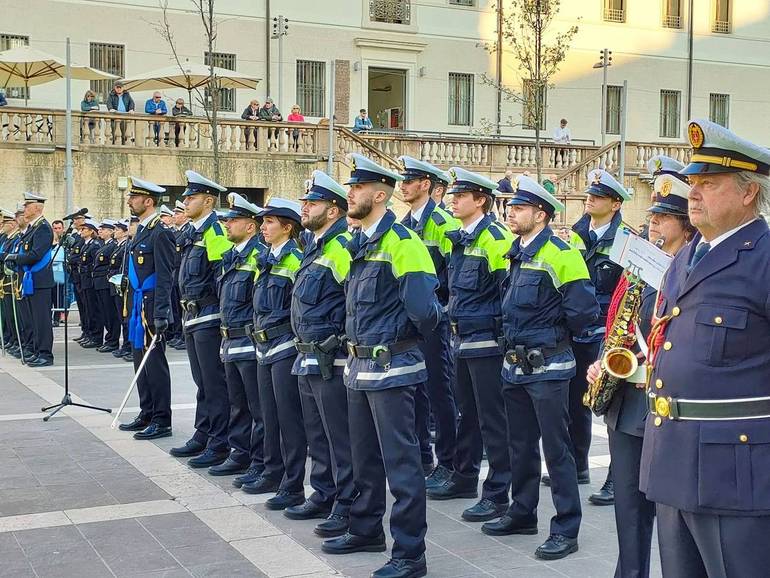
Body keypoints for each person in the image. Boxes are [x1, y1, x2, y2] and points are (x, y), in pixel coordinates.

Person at [639, 119, 770, 577]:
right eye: (692, 182)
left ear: (747, 191)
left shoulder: (765, 258)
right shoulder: (686, 256)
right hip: (672, 459)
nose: (692, 193)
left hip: (735, 472)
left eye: (707, 184)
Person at [321, 154, 441, 578]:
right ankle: (366, 528)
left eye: (355, 188)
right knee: (364, 458)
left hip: (393, 369)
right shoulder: (361, 242)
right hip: (359, 369)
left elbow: (426, 310)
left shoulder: (403, 243)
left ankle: (410, 554)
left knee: (402, 465)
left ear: (377, 194)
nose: (348, 193)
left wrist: (399, 343)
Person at [482, 176, 599, 561]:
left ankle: (566, 528)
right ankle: (522, 512)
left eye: (518, 208)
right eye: (510, 207)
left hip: (548, 367)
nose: (510, 213)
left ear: (541, 214)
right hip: (515, 367)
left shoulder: (563, 254)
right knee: (520, 446)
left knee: (557, 448)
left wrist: (551, 337)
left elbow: (584, 313)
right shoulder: (514, 252)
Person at [590, 155, 692, 578]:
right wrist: (601, 362)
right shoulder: (640, 266)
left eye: (665, 217)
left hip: (669, 406)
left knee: (673, 519)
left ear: (687, 225)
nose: (654, 223)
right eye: (652, 214)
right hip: (628, 402)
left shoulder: (693, 270)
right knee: (628, 510)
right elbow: (617, 321)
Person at [429, 168, 515, 525]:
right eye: (454, 195)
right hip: (461, 340)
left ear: (480, 200)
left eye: (461, 196)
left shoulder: (495, 237)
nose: (454, 200)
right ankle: (464, 476)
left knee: (493, 420)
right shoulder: (459, 237)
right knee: (467, 413)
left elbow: (506, 290)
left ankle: (497, 493)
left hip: (487, 343)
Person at [553, 169, 630, 507]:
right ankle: (578, 464)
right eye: (589, 195)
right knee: (576, 398)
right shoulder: (577, 233)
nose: (590, 199)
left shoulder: (626, 238)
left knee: (612, 402)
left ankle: (617, 477)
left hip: (609, 329)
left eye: (598, 197)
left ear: (615, 203)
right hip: (576, 327)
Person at [289, 171, 356, 537]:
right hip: (307, 356)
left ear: (332, 211)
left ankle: (346, 503)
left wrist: (341, 342)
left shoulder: (342, 246)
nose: (304, 208)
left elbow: (355, 301)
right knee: (317, 433)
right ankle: (324, 492)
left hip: (332, 359)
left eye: (311, 204)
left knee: (339, 436)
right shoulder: (313, 246)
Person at [397, 156, 459, 487]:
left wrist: (443, 312)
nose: (403, 186)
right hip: (410, 323)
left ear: (426, 185)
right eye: (402, 181)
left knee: (439, 391)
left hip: (435, 320)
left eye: (409, 181)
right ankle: (423, 455)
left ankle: (447, 461)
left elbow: (456, 273)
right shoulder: (404, 225)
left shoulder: (444, 223)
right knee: (416, 391)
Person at [169, 171, 233, 470]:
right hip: (192, 316)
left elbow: (224, 277)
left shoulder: (215, 233)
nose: (185, 202)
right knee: (201, 382)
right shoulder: (192, 232)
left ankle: (220, 441)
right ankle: (203, 431)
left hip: (209, 317)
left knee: (214, 382)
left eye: (190, 198)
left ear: (208, 201)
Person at [248, 198, 306, 509]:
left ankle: (293, 483)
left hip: (284, 346)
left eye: (270, 222)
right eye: (263, 222)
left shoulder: (296, 259)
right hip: (263, 347)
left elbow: (299, 308)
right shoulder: (265, 258)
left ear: (287, 227)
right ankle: (272, 471)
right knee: (269, 415)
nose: (263, 227)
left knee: (288, 419)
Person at [217, 193, 268, 488]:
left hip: (249, 342)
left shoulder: (257, 256)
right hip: (230, 340)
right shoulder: (232, 255)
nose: (228, 224)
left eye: (233, 220)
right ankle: (240, 452)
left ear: (250, 226)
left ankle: (257, 459)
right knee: (237, 402)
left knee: (256, 407)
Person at [118, 177, 175, 440]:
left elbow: (165, 276)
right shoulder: (142, 230)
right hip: (137, 304)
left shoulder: (160, 232)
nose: (130, 200)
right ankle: (147, 411)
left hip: (151, 307)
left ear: (148, 201)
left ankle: (162, 419)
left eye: (134, 197)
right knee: (139, 358)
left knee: (154, 363)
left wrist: (162, 312)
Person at [7, 193, 55, 367]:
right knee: (32, 319)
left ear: (37, 208)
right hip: (30, 280)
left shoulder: (42, 228)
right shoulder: (33, 228)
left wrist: (13, 257)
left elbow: (35, 255)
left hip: (39, 280)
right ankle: (36, 350)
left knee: (41, 319)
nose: (24, 208)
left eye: (27, 205)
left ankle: (45, 354)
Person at [92, 220, 120, 353]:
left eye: (103, 229)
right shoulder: (104, 245)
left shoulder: (113, 246)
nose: (100, 231)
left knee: (110, 313)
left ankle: (112, 340)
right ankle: (109, 339)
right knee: (104, 312)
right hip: (99, 282)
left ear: (110, 231)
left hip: (106, 282)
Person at [167, 200, 190, 350]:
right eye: (174, 213)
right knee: (175, 307)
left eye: (178, 213)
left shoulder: (187, 231)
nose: (174, 216)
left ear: (185, 215)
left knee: (183, 308)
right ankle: (177, 334)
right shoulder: (175, 232)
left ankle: (183, 336)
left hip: (182, 272)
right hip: (174, 273)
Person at [108, 219, 131, 360]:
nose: (114, 232)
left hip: (124, 285)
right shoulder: (119, 246)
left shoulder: (126, 246)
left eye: (117, 229)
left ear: (125, 232)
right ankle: (126, 346)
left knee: (126, 317)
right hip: (117, 284)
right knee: (122, 317)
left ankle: (129, 346)